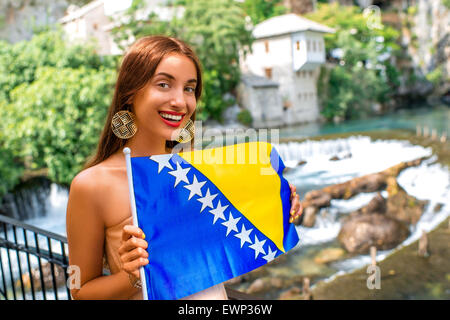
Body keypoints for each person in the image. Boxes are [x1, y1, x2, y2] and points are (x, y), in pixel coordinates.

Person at [65, 35, 303, 300]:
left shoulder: (195, 171)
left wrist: (277, 200)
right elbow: (79, 290)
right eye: (164, 84)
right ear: (130, 92)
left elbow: (226, 236)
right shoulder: (91, 185)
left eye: (189, 89)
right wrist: (132, 277)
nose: (180, 101)